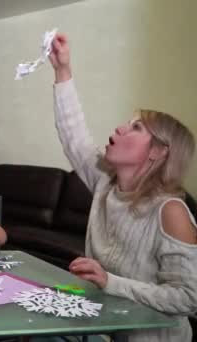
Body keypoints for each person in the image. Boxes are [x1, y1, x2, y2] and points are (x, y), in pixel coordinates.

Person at [49, 33, 197, 341]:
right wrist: (62, 70)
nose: (119, 127)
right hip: (105, 327)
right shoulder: (105, 183)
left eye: (136, 127)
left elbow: (188, 298)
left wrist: (110, 282)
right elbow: (73, 135)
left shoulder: (171, 211)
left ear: (159, 151)